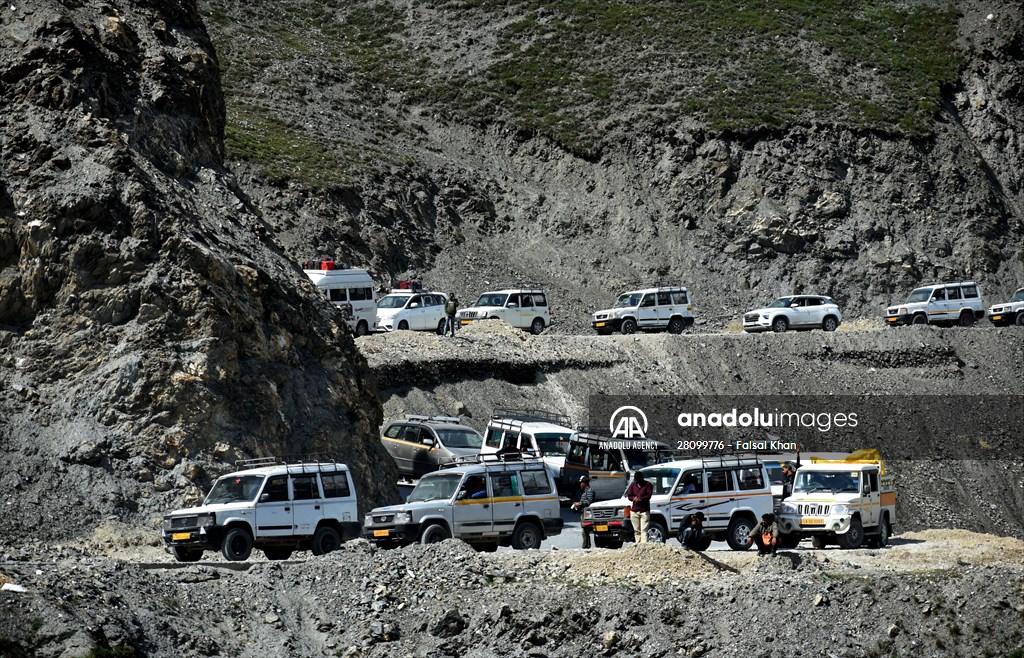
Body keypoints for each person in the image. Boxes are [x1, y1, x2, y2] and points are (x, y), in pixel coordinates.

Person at [626, 471, 653, 544]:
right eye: (636, 480)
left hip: (644, 511)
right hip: (634, 511)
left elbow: (649, 495)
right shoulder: (633, 485)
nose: (638, 482)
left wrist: (640, 499)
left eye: (639, 480)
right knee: (636, 530)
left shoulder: (648, 485)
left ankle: (643, 546)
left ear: (642, 478)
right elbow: (629, 496)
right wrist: (633, 498)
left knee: (644, 530)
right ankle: (637, 545)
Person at [571, 475, 596, 549]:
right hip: (583, 512)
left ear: (585, 483)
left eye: (581, 483)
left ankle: (586, 546)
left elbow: (589, 502)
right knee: (585, 530)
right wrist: (578, 504)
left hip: (588, 513)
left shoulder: (590, 490)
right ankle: (586, 545)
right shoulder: (584, 491)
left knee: (585, 529)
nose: (580, 484)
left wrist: (579, 503)